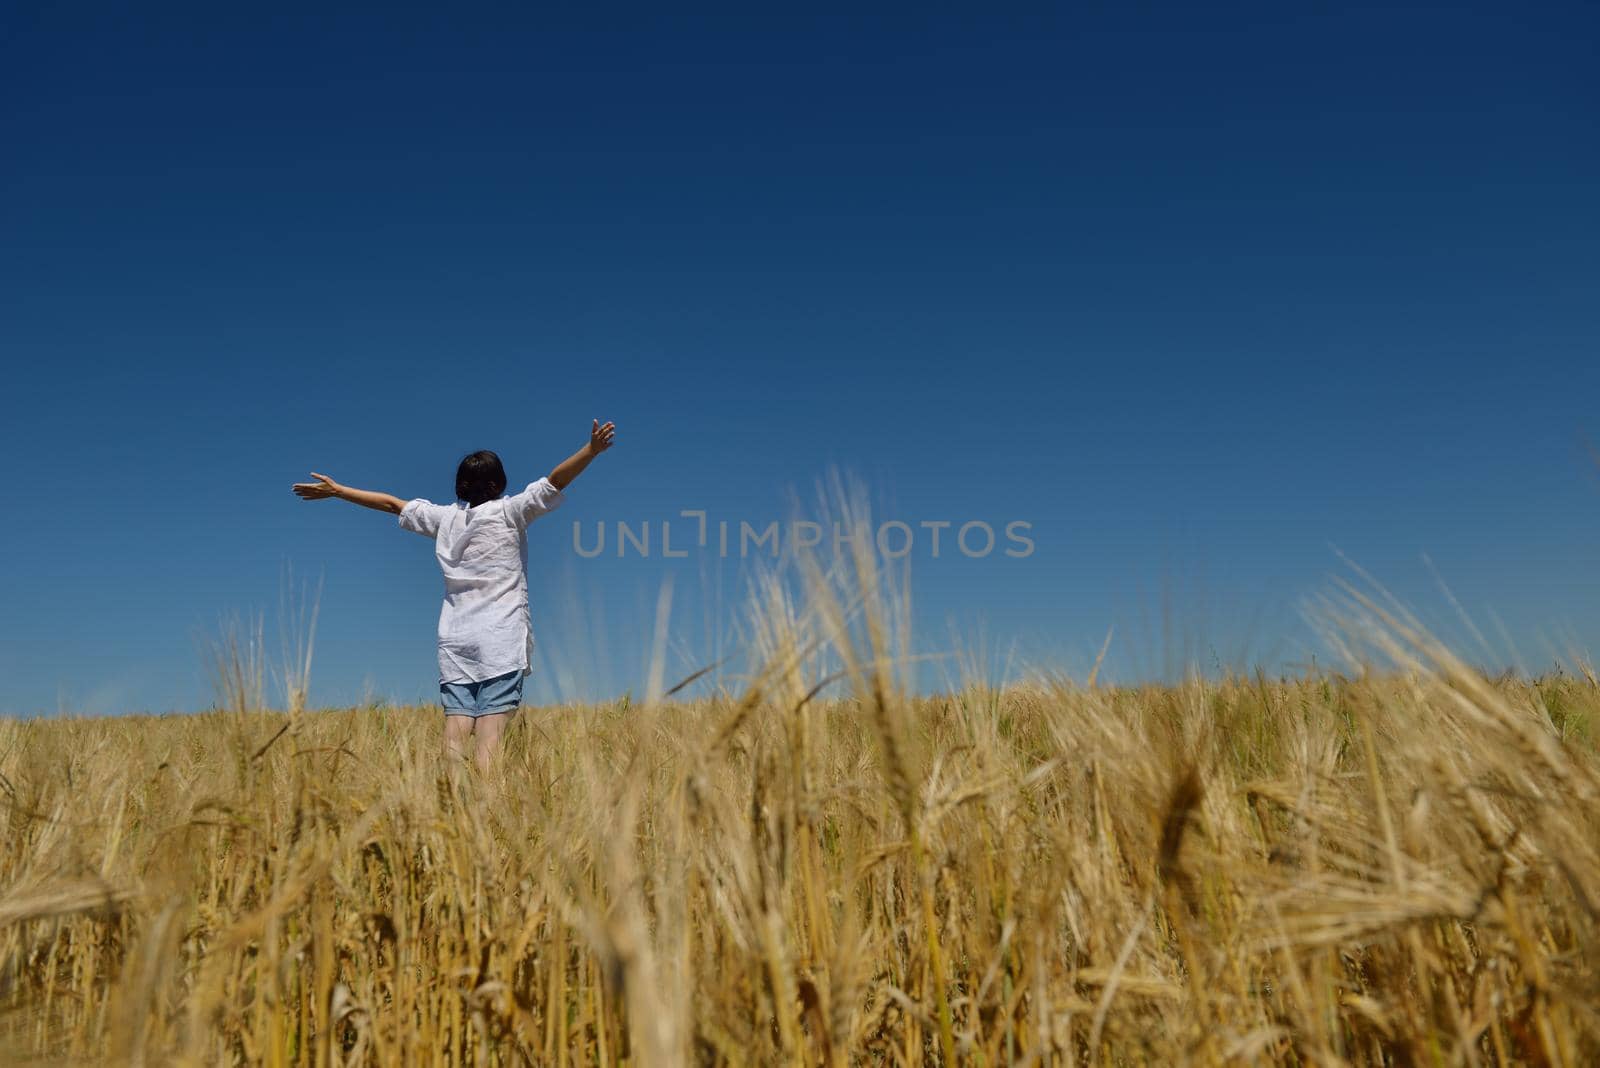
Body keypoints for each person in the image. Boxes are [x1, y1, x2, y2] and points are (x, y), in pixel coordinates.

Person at [292, 420, 617, 769]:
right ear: (498, 484)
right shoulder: (510, 512)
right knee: (490, 736)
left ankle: (448, 807)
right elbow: (555, 480)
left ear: (460, 486)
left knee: (455, 731)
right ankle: (486, 811)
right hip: (500, 640)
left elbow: (390, 504)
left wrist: (339, 490)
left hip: (455, 640)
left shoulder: (444, 519)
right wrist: (591, 451)